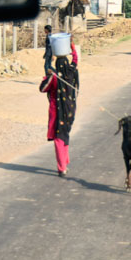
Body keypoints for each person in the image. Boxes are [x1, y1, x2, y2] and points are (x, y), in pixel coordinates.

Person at [39, 40, 79, 176]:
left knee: (58, 138)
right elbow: (75, 59)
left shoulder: (55, 78)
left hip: (57, 112)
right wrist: (72, 46)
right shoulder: (72, 71)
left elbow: (43, 89)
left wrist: (48, 75)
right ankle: (65, 161)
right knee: (65, 134)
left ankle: (62, 167)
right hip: (70, 110)